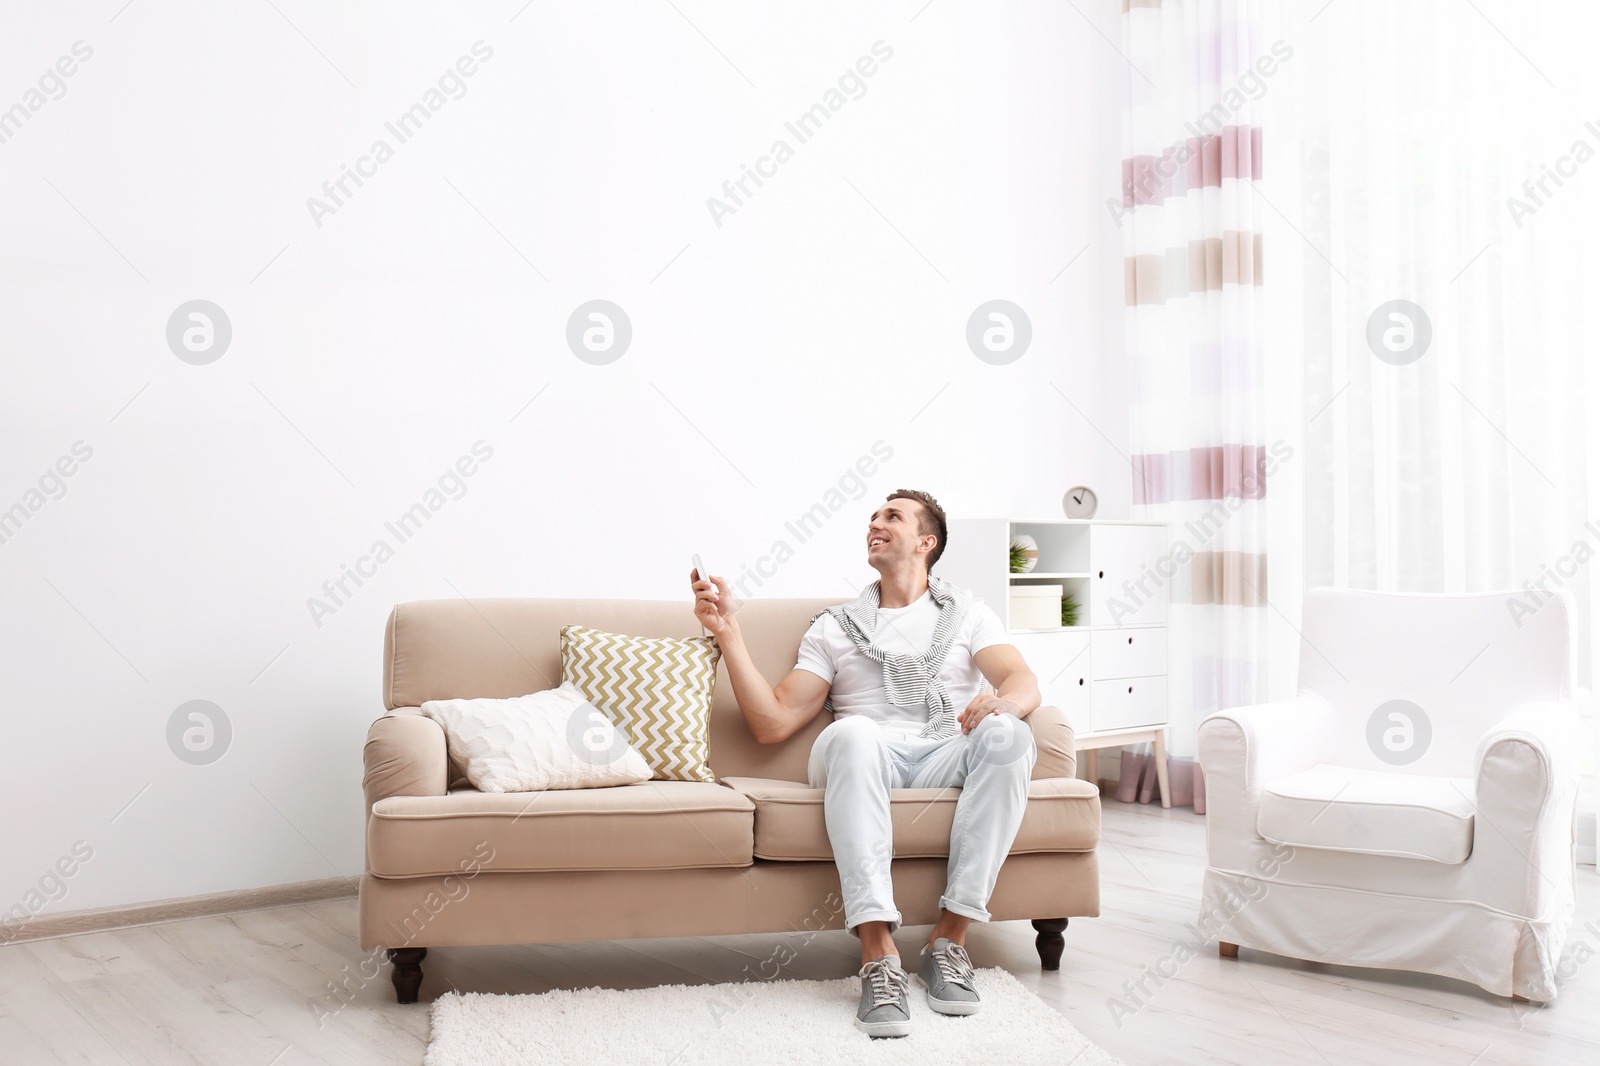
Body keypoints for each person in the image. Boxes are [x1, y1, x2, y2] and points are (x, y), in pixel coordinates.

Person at [691, 489, 1040, 1038]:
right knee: (853, 731)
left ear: (926, 542)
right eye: (873, 516)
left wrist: (1007, 704)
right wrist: (729, 633)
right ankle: (878, 956)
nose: (874, 523)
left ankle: (948, 942)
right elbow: (773, 722)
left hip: (942, 748)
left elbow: (1021, 681)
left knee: (1009, 735)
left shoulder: (968, 614)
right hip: (861, 754)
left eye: (891, 517)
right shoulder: (835, 626)